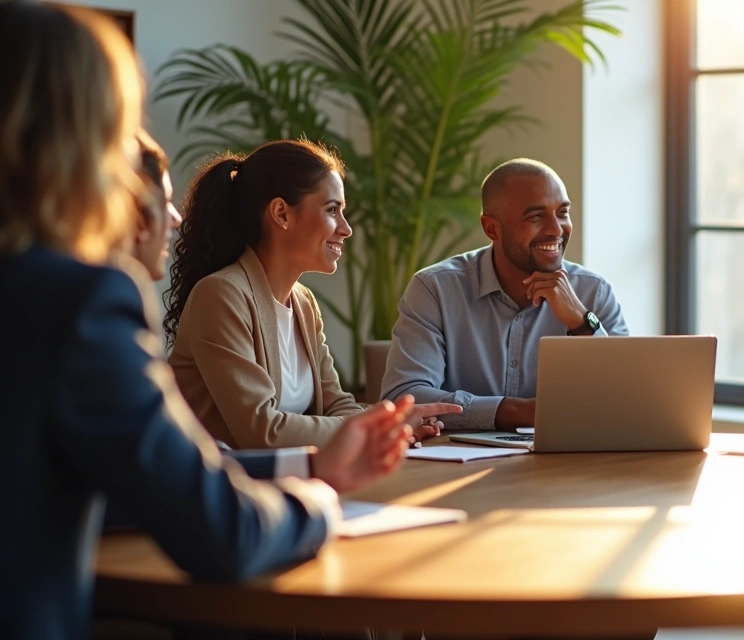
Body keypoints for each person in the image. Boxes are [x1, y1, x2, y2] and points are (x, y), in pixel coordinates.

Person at [0, 4, 401, 639]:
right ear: (86, 141)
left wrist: (313, 465)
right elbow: (222, 534)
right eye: (124, 128)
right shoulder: (79, 302)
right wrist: (321, 504)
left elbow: (101, 485)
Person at [130, 130, 436, 491]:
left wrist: (382, 428)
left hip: (284, 487)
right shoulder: (221, 295)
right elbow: (263, 431)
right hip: (221, 496)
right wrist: (364, 429)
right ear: (281, 214)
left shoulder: (303, 303)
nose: (346, 229)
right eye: (332, 210)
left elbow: (336, 403)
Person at [381, 158, 629, 430]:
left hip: (568, 466)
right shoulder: (436, 289)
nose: (556, 230)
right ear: (491, 228)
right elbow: (404, 399)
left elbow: (630, 399)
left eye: (562, 212)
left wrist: (583, 323)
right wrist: (518, 412)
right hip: (461, 463)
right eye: (536, 216)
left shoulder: (593, 291)